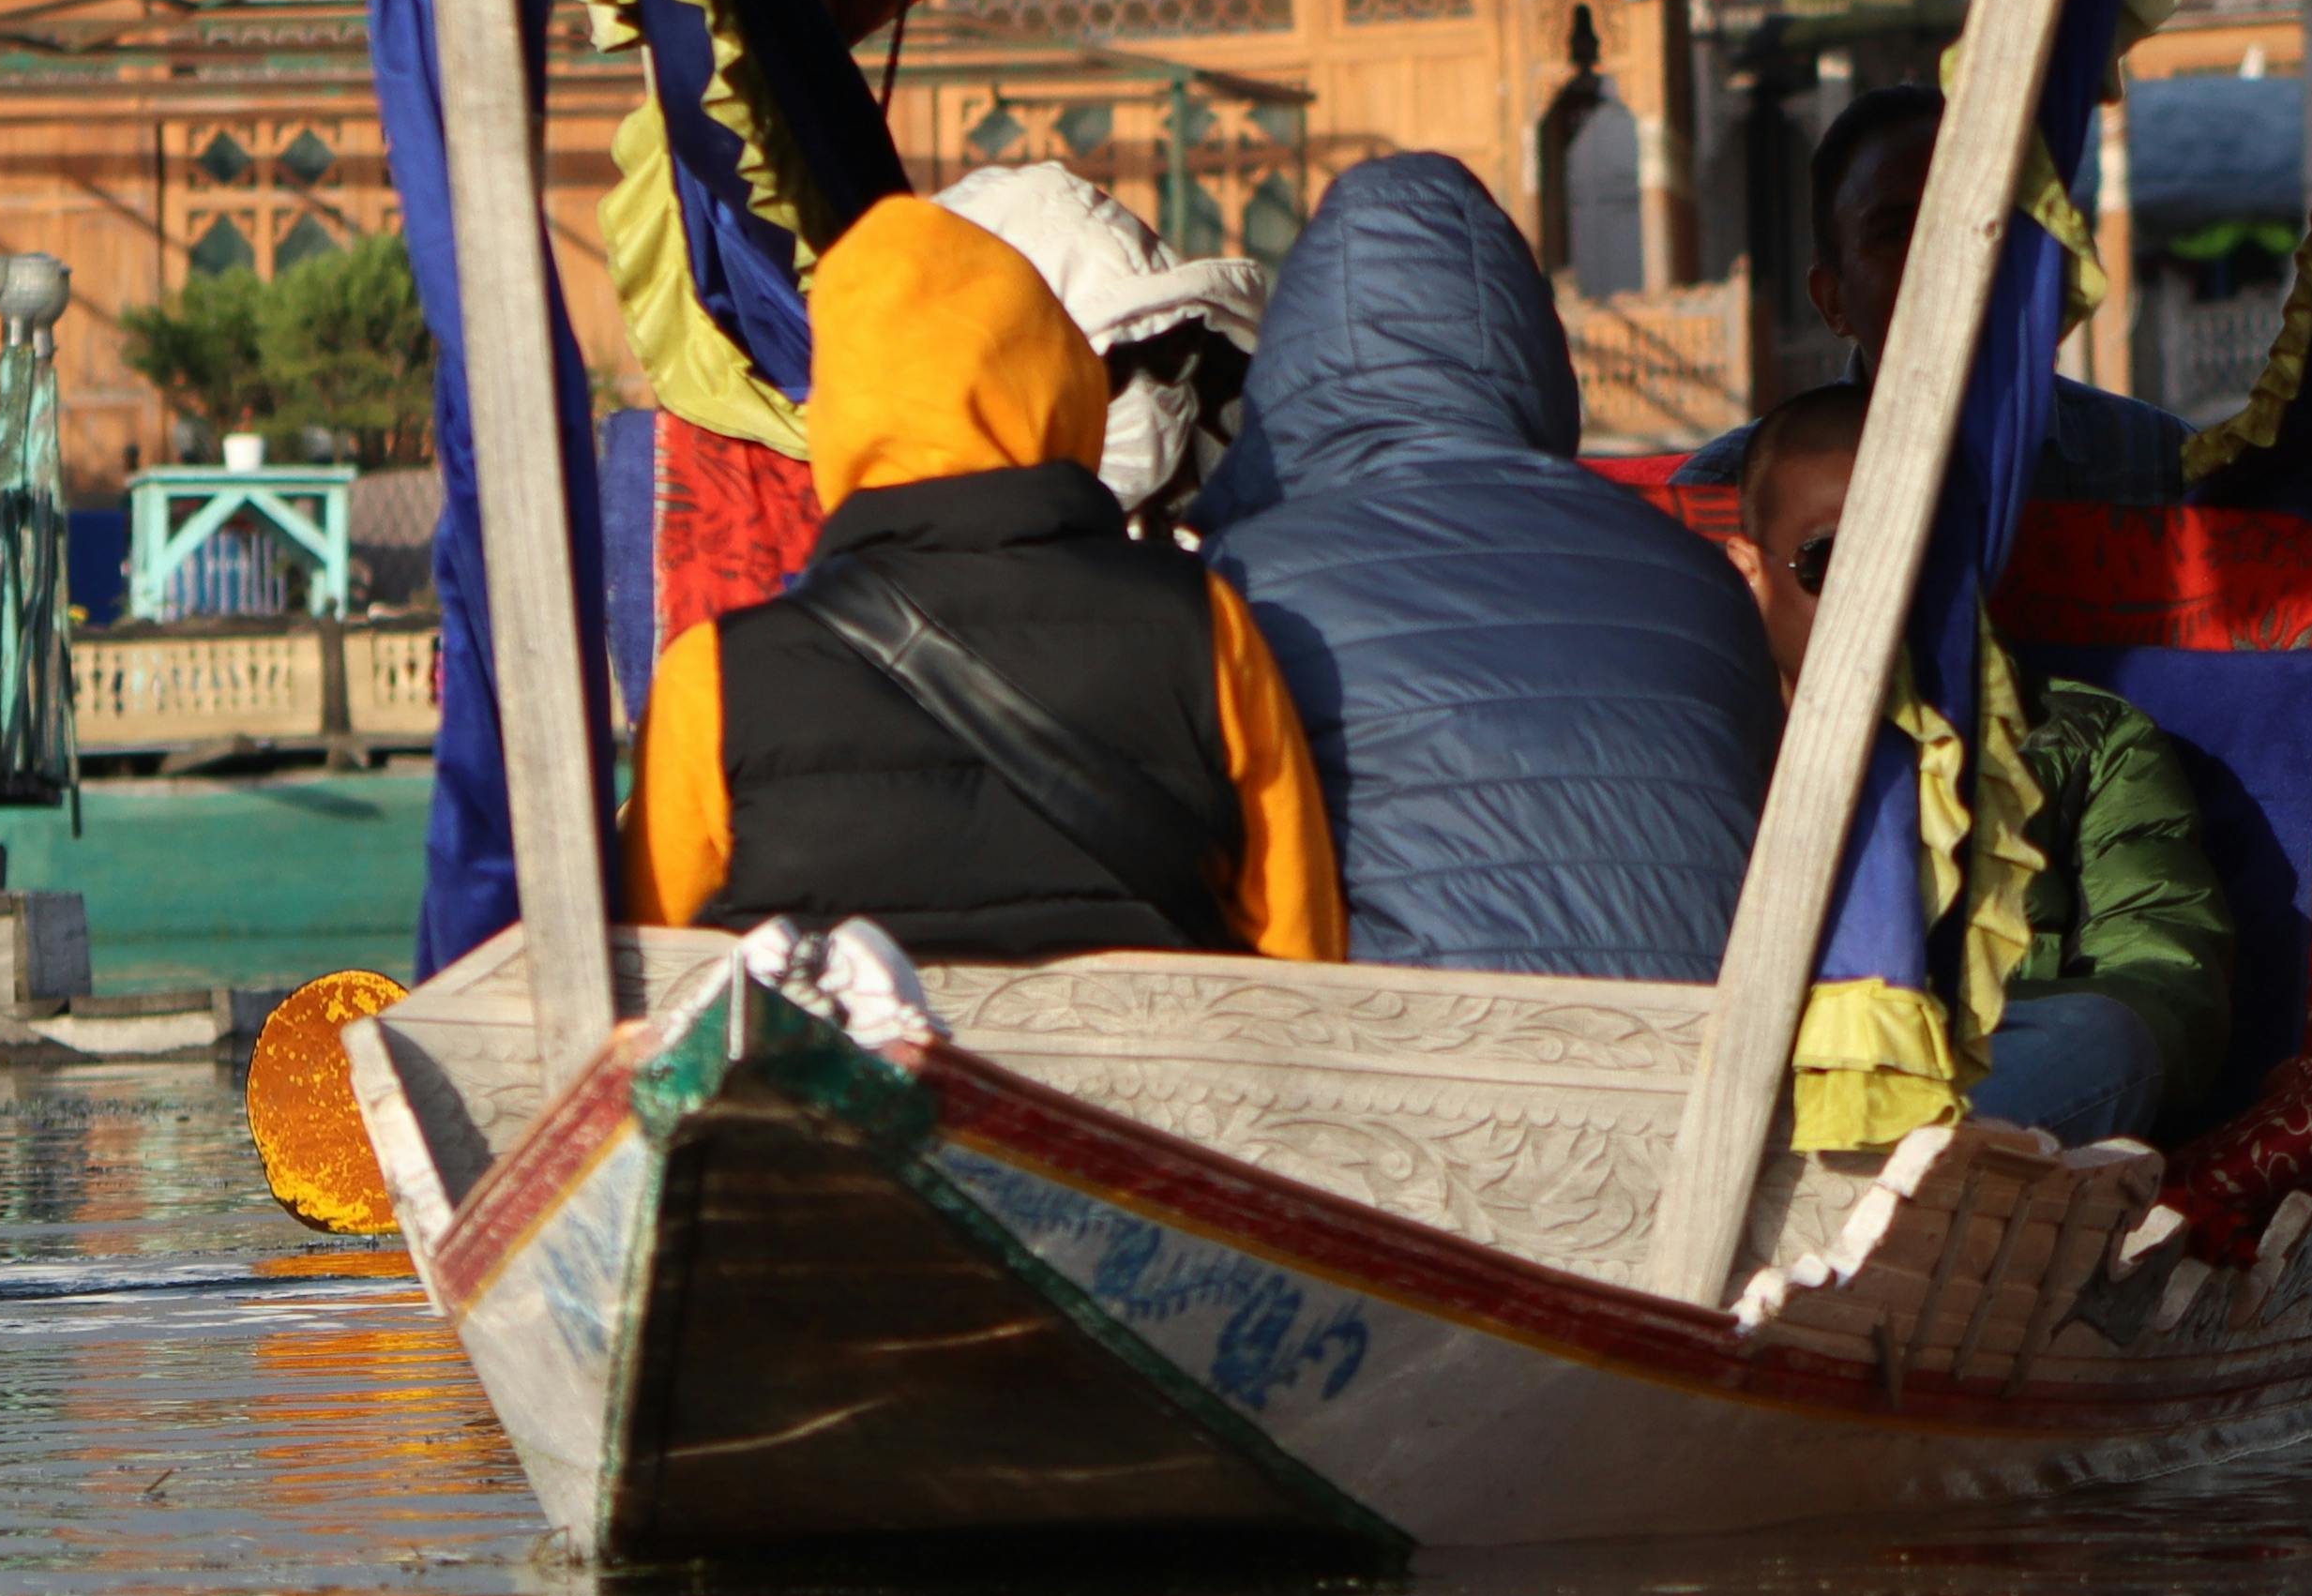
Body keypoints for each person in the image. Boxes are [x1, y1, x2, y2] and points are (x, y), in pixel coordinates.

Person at [625, 194, 1344, 960]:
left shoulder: (715, 675)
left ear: (838, 411)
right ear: (1060, 378)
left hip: (850, 1045)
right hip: (1154, 1044)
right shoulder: (1202, 624)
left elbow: (657, 967)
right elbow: (1302, 946)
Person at [1198, 152, 1782, 981]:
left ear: (1298, 355)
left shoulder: (1242, 580)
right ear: (1532, 345)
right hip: (1707, 1047)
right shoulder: (1699, 581)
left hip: (1411, 1049)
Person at [1734, 380, 2235, 1144]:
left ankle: (1874, 1156)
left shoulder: (2089, 739)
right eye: (1830, 559)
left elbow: (2169, 988)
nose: (1884, 595)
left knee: (2111, 1040)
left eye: (1918, 555)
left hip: (1985, 1082)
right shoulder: (1705, 748)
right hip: (1746, 1079)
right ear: (1751, 572)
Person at [1677, 83, 2195, 505]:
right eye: (1898, 232)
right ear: (1832, 300)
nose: (1945, 256)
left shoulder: (2161, 471)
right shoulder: (1726, 495)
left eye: (1981, 221)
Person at [933, 158, 1267, 535]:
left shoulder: (1269, 511)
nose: (1145, 395)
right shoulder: (943, 564)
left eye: (1168, 351)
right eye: (1109, 370)